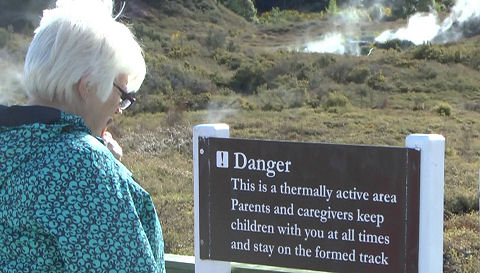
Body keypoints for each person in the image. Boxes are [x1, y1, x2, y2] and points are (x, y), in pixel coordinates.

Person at [0, 0, 165, 272]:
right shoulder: (82, 167)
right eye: (122, 95)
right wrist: (102, 167)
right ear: (87, 85)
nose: (119, 109)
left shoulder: (12, 141)